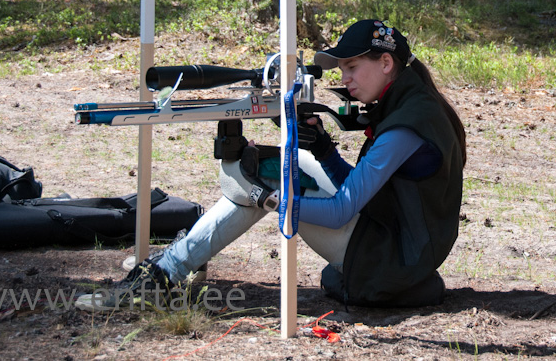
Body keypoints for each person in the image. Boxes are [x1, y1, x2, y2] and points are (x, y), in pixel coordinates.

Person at [78, 20, 467, 309]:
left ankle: (162, 277)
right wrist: (326, 152)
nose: (344, 78)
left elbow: (342, 210)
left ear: (386, 63)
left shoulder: (406, 125)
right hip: (392, 238)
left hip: (392, 257)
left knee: (260, 176)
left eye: (351, 67)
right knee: (277, 164)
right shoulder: (411, 105)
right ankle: (173, 267)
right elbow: (367, 194)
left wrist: (268, 198)